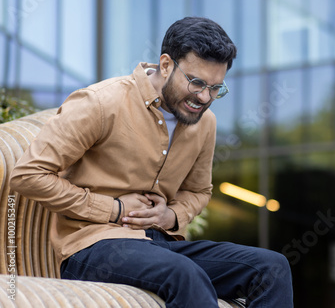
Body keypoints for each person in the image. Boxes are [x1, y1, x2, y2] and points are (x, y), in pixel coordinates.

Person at [10, 16, 293, 307]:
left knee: (272, 268)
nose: (204, 97)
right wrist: (115, 209)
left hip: (160, 245)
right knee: (186, 275)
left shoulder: (205, 123)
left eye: (215, 88)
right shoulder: (100, 103)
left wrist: (170, 216)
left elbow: (198, 192)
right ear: (167, 64)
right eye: (196, 83)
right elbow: (29, 175)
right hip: (94, 246)